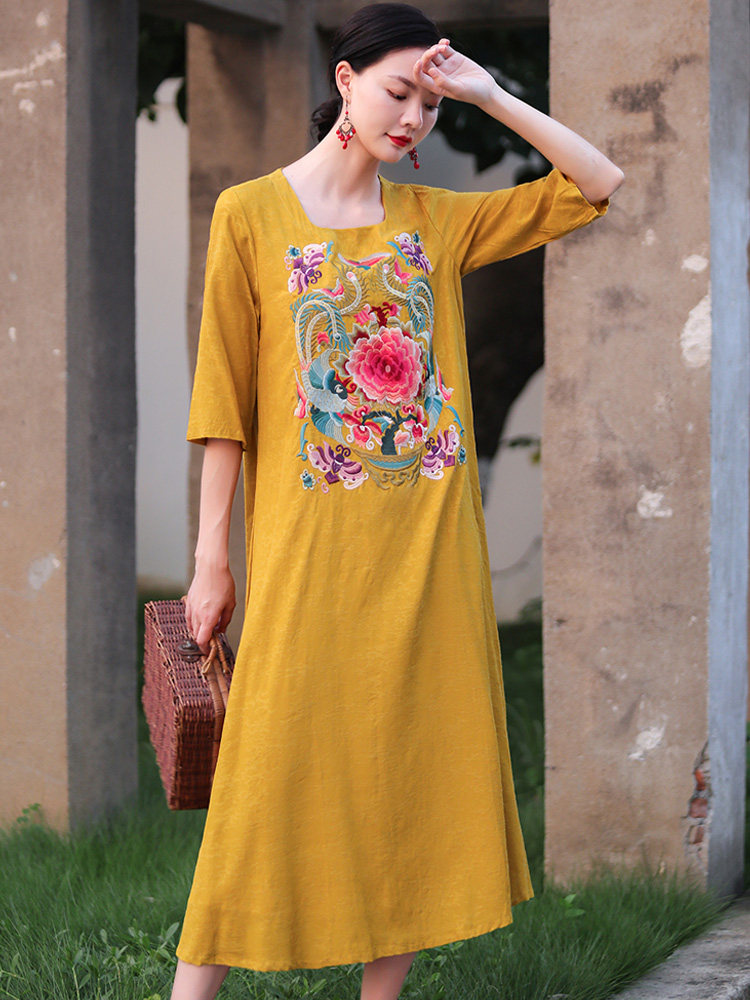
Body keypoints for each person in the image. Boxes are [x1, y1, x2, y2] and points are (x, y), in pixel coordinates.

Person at [169, 4, 624, 999]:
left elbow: (597, 183)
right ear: (345, 80)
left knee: (420, 781)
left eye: (430, 101)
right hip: (308, 557)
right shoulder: (250, 215)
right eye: (398, 92)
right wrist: (211, 560)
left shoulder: (435, 222)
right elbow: (223, 402)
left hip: (429, 557)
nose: (414, 117)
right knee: (262, 783)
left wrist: (489, 94)